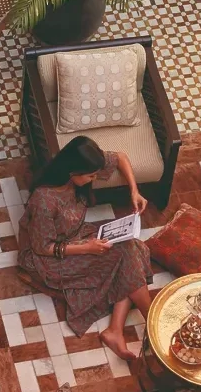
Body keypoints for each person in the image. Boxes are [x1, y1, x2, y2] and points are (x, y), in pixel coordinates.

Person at [17, 136, 152, 359]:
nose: (95, 178)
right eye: (91, 176)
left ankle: (115, 331)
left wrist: (134, 191)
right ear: (73, 173)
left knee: (133, 248)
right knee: (128, 253)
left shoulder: (83, 166)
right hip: (52, 258)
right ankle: (153, 321)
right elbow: (43, 248)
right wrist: (87, 249)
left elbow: (120, 157)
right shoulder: (44, 201)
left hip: (78, 235)